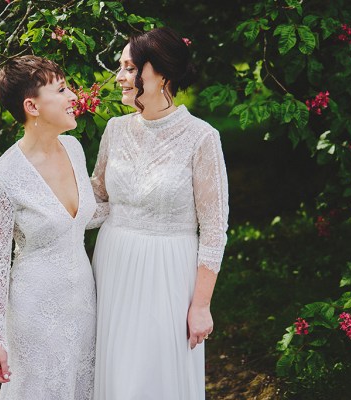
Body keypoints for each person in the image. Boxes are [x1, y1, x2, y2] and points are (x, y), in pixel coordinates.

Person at [90, 27, 229, 399]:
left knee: (154, 381)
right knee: (118, 378)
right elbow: (98, 200)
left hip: (169, 273)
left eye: (129, 68)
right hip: (114, 266)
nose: (119, 77)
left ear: (161, 73)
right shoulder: (114, 130)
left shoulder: (202, 138)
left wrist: (201, 305)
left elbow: (214, 230)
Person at [0, 55, 101, 399]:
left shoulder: (74, 149)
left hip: (82, 304)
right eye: (61, 90)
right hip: (35, 314)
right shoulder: (0, 179)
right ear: (32, 106)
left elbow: (82, 218)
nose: (74, 97)